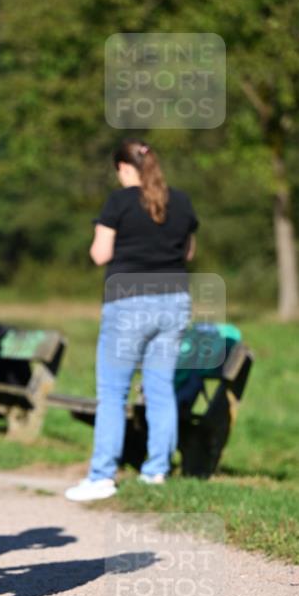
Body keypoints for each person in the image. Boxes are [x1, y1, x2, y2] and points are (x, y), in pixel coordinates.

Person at [65, 139, 197, 502]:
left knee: (112, 392)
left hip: (129, 302)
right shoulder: (181, 201)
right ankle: (156, 472)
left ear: (123, 168)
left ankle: (102, 476)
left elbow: (100, 253)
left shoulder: (119, 202)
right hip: (174, 301)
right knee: (160, 388)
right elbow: (189, 251)